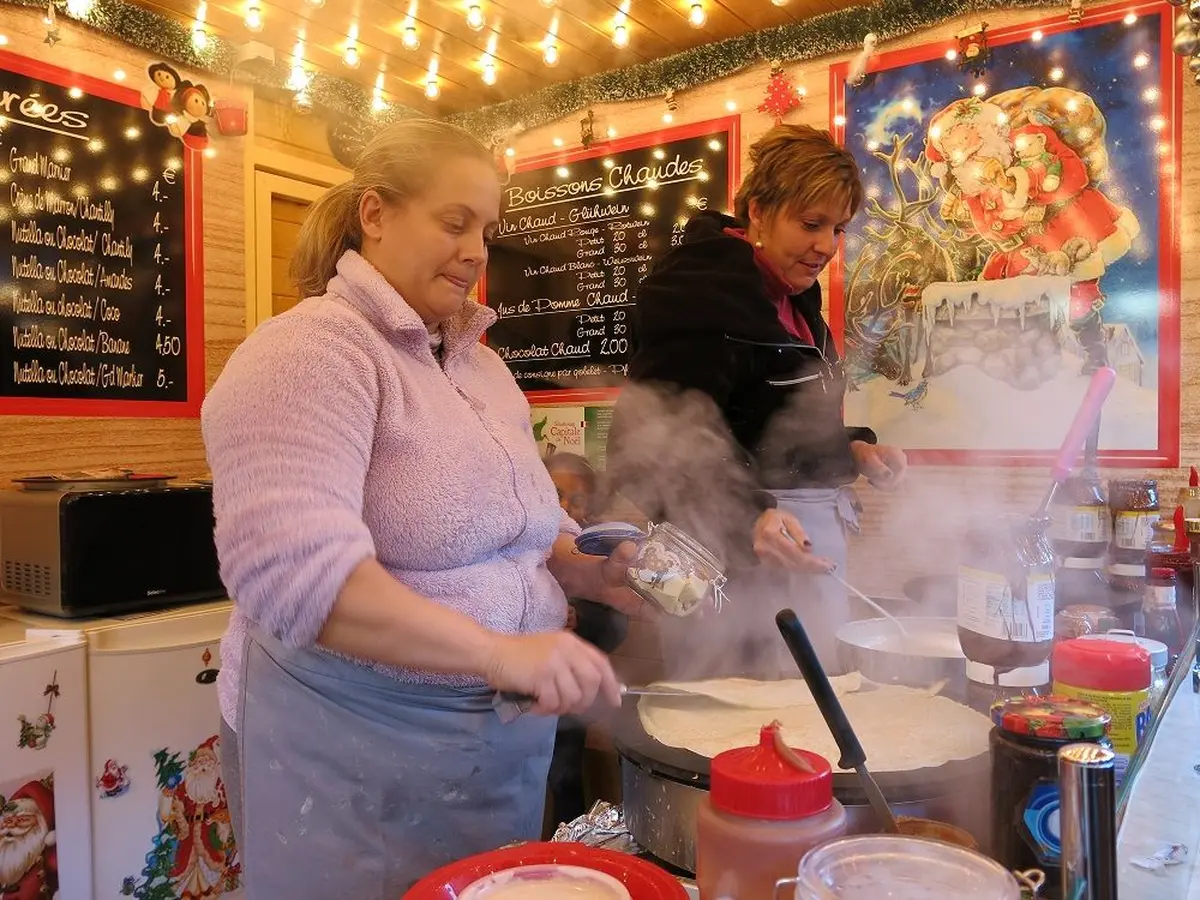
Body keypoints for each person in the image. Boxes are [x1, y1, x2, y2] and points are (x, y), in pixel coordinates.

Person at [201, 119, 643, 898]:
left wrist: (585, 568)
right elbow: (297, 581)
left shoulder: (485, 370)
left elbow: (517, 527)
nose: (476, 251)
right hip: (349, 750)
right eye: (454, 221)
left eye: (487, 231)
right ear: (375, 214)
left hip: (494, 743)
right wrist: (500, 653)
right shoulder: (308, 352)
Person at [606, 124, 908, 675]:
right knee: (738, 711)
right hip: (728, 557)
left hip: (792, 545)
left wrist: (851, 449)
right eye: (810, 224)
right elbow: (647, 443)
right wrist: (747, 518)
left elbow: (767, 421)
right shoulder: (700, 293)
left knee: (806, 703)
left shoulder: (794, 297)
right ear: (759, 212)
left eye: (838, 228)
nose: (827, 246)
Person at [543, 453, 629, 826]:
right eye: (555, 493)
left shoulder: (594, 551)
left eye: (576, 500)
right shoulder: (520, 543)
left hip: (570, 694)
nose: (564, 505)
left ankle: (569, 835)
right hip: (510, 687)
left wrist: (580, 618)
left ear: (589, 508)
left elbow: (615, 626)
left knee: (564, 773)